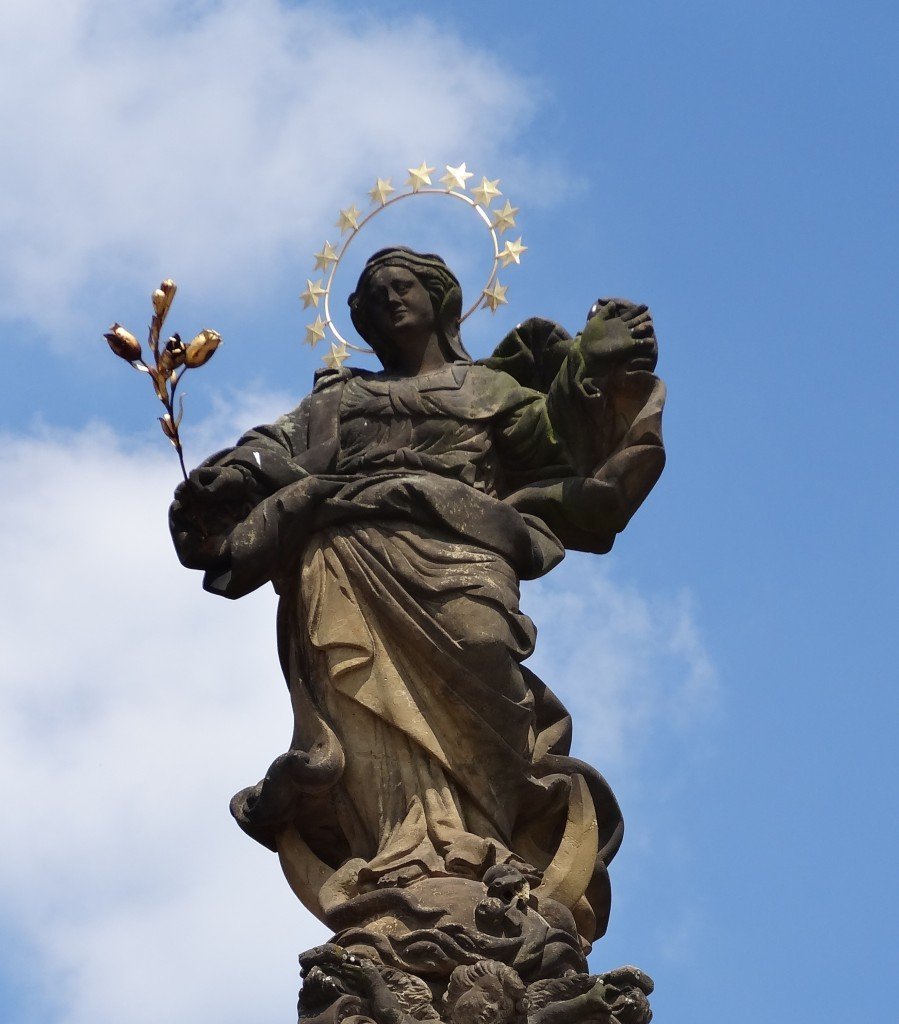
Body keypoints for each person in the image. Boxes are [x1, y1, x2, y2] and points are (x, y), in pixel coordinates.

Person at [169, 247, 665, 942]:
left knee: (486, 663)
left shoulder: (488, 390)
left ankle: (482, 840)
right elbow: (265, 452)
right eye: (373, 297)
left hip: (461, 558)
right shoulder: (337, 400)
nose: (390, 301)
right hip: (347, 555)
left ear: (440, 299)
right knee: (362, 707)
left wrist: (592, 365)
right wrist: (230, 476)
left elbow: (564, 445)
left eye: (402, 287)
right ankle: (404, 851)